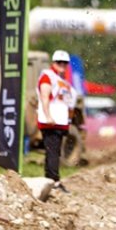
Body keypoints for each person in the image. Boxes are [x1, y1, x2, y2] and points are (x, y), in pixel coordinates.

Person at [37, 49, 78, 191]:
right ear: (53, 63)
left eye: (64, 63)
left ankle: (50, 179)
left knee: (55, 151)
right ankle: (54, 181)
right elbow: (44, 96)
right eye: (59, 62)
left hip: (61, 123)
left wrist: (69, 120)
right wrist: (48, 116)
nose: (62, 65)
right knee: (53, 151)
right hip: (50, 122)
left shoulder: (63, 81)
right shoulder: (47, 77)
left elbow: (69, 103)